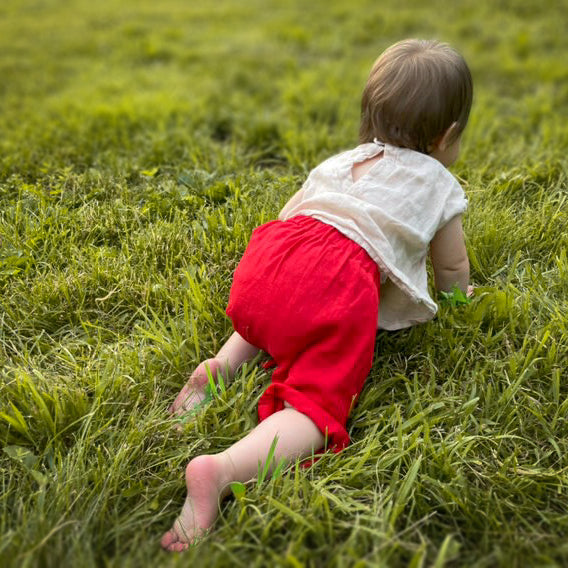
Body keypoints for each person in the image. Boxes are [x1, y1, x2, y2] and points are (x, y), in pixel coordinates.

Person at [161, 38, 473, 552]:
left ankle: (218, 367)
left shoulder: (341, 162)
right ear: (449, 134)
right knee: (317, 399)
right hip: (334, 283)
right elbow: (452, 265)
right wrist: (460, 301)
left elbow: (290, 215)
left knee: (272, 317)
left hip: (273, 257)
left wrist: (288, 276)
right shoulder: (439, 183)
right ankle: (220, 471)